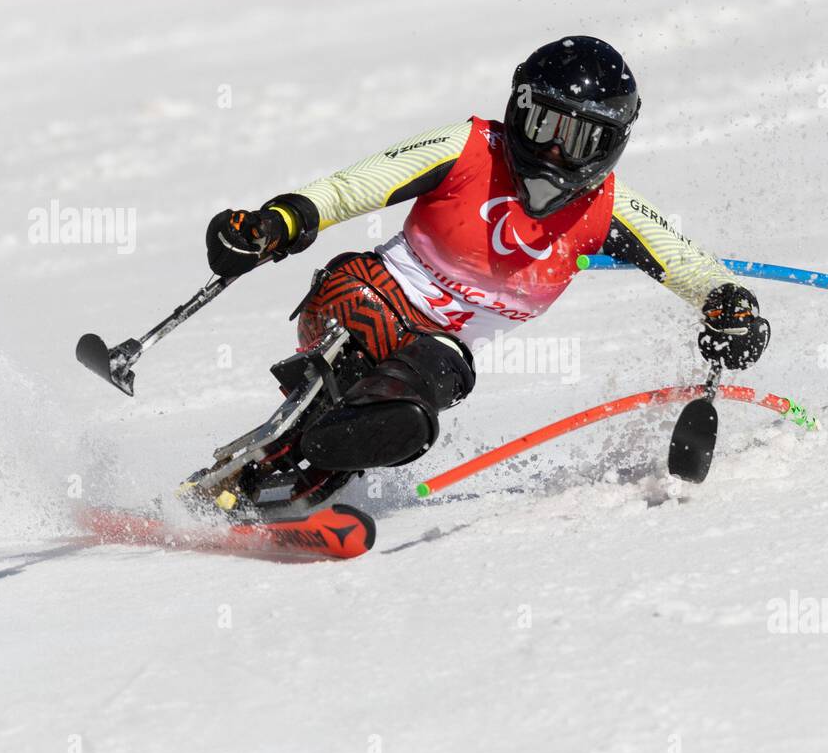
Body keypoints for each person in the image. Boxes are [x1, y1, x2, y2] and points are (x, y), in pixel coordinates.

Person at [205, 35, 769, 474]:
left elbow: (693, 266)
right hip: (365, 297)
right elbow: (348, 189)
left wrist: (731, 309)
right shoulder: (472, 149)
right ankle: (300, 450)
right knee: (382, 344)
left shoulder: (607, 209)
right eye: (542, 122)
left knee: (434, 376)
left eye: (576, 139)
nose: (551, 147)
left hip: (436, 364)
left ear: (609, 145)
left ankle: (311, 466)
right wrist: (276, 222)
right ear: (517, 107)